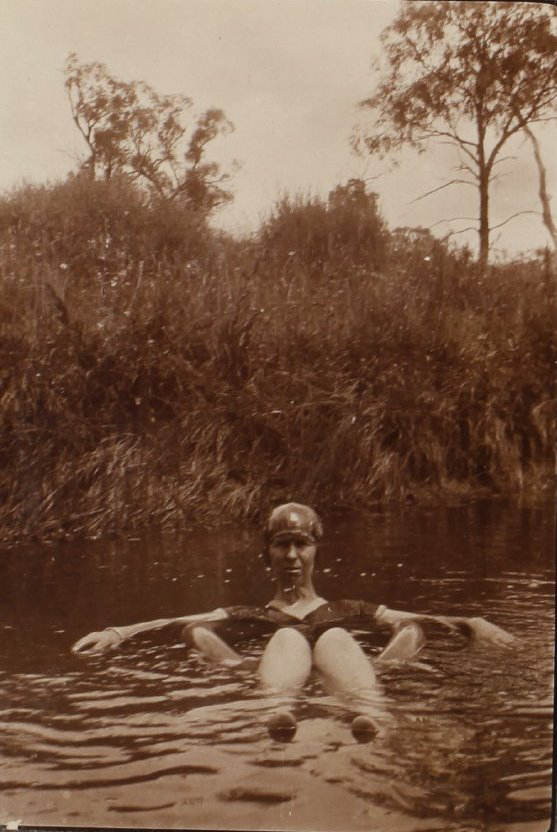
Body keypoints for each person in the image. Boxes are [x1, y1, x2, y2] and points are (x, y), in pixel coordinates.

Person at [72, 503, 514, 693]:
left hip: (357, 668)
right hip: (266, 670)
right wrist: (118, 632)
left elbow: (419, 619)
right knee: (197, 631)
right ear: (266, 553)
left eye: (301, 543)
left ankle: (367, 705)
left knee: (403, 629)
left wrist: (472, 621)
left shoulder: (350, 610)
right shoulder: (249, 615)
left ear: (316, 549)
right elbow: (177, 621)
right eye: (281, 544)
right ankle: (272, 702)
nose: (291, 555)